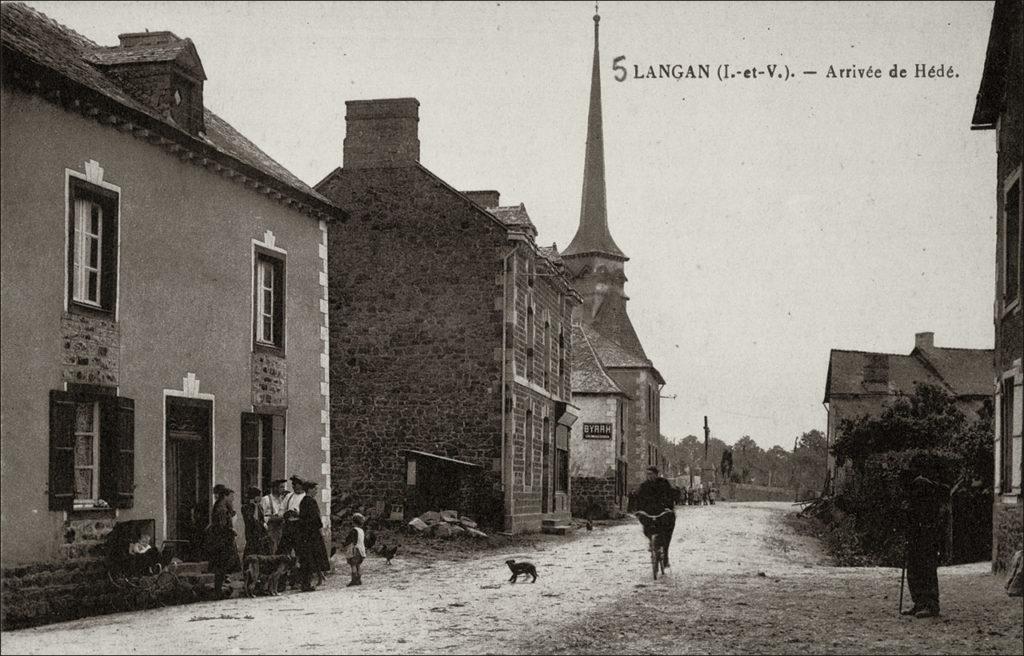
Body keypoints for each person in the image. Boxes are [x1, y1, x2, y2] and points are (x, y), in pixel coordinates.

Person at [900, 472, 948, 618]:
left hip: (926, 537)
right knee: (914, 570)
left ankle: (931, 605)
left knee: (926, 570)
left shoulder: (924, 489)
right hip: (916, 537)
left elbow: (929, 516)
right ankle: (919, 603)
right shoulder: (915, 490)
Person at [634, 466, 677, 567]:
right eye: (647, 474)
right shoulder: (644, 486)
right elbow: (639, 499)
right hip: (648, 512)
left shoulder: (663, 483)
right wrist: (639, 510)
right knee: (646, 528)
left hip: (662, 512)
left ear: (656, 474)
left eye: (651, 474)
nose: (649, 476)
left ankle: (665, 555)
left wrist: (669, 508)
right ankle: (652, 542)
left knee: (667, 530)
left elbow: (670, 495)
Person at [205, 484, 241, 598]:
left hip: (222, 541)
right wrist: (231, 530)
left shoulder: (222, 506)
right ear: (225, 496)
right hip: (222, 542)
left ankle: (220, 590)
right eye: (231, 497)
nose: (233, 499)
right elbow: (221, 526)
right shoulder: (221, 508)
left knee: (222, 567)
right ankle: (218, 592)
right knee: (221, 567)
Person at [292, 478, 327, 592]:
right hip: (311, 535)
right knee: (309, 559)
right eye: (315, 489)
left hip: (306, 534)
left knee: (308, 559)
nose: (316, 491)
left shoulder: (304, 501)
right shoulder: (310, 501)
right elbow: (315, 518)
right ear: (310, 490)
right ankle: (306, 584)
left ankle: (307, 582)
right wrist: (320, 529)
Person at [260, 479, 290, 554]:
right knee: (271, 549)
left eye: (283, 487)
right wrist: (271, 518)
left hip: (281, 528)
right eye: (281, 487)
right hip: (270, 529)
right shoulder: (266, 499)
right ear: (274, 488)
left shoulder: (283, 500)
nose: (283, 489)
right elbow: (261, 517)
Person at [242, 486, 271, 559]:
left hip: (261, 532)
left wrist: (264, 524)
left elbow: (261, 518)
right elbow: (252, 519)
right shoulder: (246, 507)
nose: (261, 498)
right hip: (252, 531)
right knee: (251, 549)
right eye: (259, 496)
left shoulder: (259, 506)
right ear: (255, 497)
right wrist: (254, 505)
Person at [342, 513, 368, 587]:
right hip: (361, 550)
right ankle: (359, 579)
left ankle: (354, 580)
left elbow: (350, 540)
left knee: (353, 565)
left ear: (353, 522)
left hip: (355, 550)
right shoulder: (362, 531)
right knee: (358, 565)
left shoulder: (354, 530)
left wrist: (344, 544)